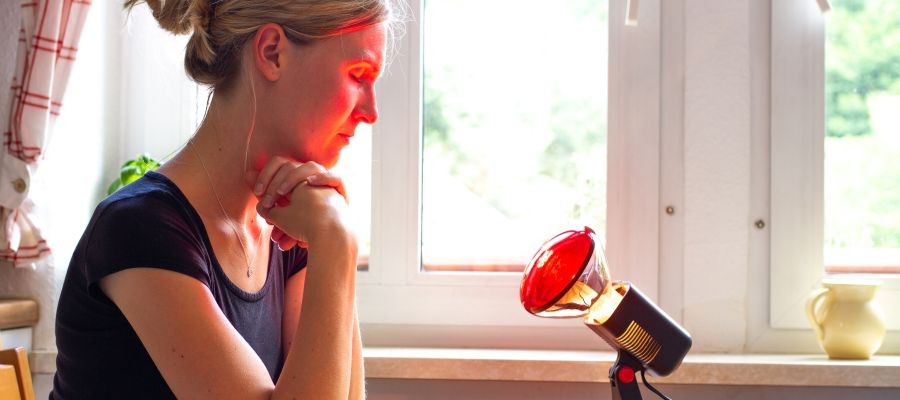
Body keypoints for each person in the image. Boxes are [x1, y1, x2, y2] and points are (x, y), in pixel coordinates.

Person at [51, 0, 402, 398]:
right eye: (358, 75)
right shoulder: (139, 229)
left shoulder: (290, 230)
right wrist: (337, 240)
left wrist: (331, 235)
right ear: (272, 53)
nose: (372, 111)